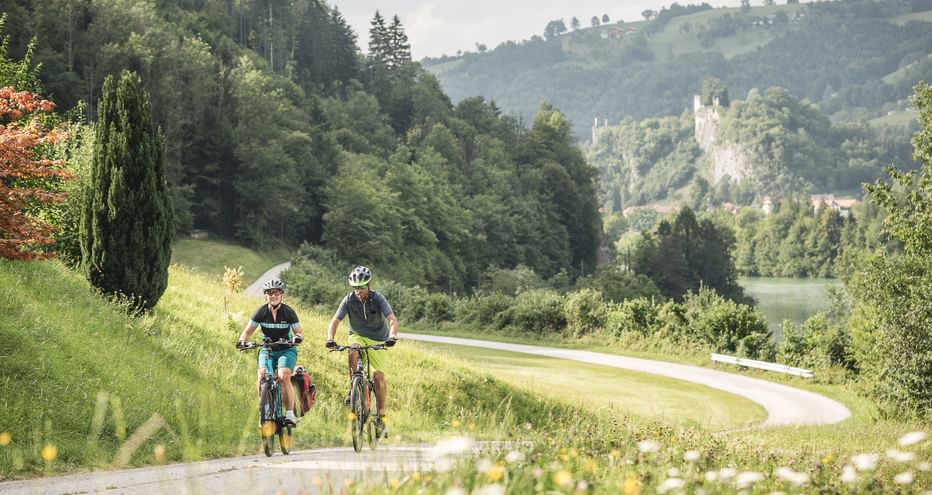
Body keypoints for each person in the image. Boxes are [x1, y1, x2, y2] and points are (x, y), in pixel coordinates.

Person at [326, 266, 398, 427]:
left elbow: (392, 319)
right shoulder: (348, 300)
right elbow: (335, 321)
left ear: (369, 285)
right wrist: (330, 338)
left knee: (378, 378)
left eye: (362, 287)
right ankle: (355, 385)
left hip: (378, 338)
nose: (358, 291)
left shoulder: (378, 298)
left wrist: (392, 336)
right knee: (353, 351)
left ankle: (381, 415)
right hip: (357, 335)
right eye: (355, 288)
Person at [237, 278, 304, 426]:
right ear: (265, 296)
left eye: (276, 293)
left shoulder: (288, 312)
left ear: (281, 295)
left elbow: (298, 331)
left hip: (286, 349)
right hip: (267, 349)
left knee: (283, 375)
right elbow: (247, 331)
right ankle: (264, 411)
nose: (273, 296)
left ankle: (290, 414)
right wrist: (242, 340)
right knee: (261, 376)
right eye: (269, 293)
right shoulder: (260, 312)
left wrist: (298, 338)